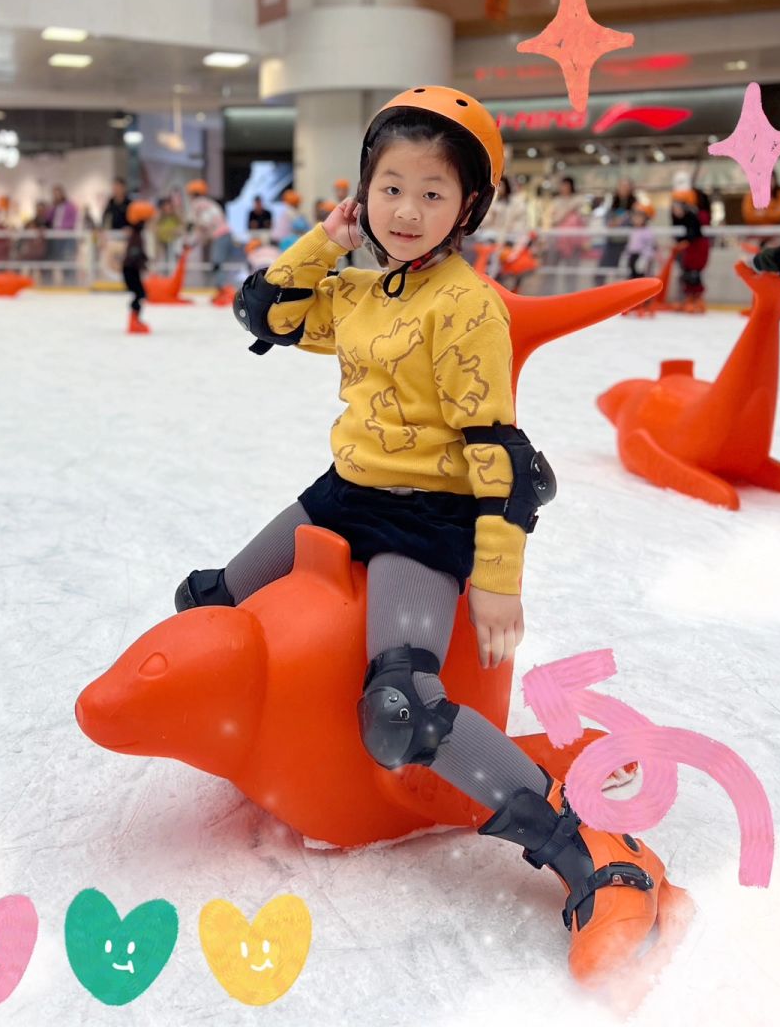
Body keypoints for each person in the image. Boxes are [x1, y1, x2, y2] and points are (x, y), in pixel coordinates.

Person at [173, 86, 673, 984]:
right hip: (345, 495)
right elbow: (266, 311)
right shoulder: (363, 291)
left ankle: (594, 853)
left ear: (469, 208)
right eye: (389, 188)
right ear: (360, 192)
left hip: (427, 513)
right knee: (205, 602)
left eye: (432, 193)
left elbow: (497, 453)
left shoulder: (465, 308)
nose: (406, 211)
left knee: (402, 711)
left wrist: (495, 576)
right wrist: (326, 239)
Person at [186, 179, 235, 290]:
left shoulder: (197, 204)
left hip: (220, 236)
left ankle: (222, 290)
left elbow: (200, 225)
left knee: (217, 264)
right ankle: (221, 288)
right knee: (220, 264)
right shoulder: (210, 203)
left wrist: (190, 242)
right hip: (226, 234)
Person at [671, 185, 711, 312]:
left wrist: (686, 241)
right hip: (688, 252)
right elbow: (678, 234)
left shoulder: (693, 215)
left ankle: (697, 299)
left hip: (697, 250)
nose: (675, 209)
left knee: (694, 274)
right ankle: (689, 299)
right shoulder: (679, 218)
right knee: (686, 274)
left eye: (678, 205)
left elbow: (694, 232)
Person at [596, 179, 637, 286]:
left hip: (629, 242)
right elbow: (608, 222)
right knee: (603, 269)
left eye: (626, 187)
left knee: (628, 269)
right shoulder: (611, 203)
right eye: (621, 186)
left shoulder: (635, 204)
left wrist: (620, 221)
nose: (623, 189)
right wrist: (617, 222)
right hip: (612, 241)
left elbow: (636, 222)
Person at [123, 201, 155, 334]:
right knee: (140, 294)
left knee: (139, 294)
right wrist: (143, 264)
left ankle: (134, 319)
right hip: (131, 270)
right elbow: (135, 255)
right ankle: (133, 320)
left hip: (130, 269)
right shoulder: (137, 236)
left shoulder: (136, 235)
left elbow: (137, 253)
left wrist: (144, 260)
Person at [50, 184, 79, 285]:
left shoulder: (70, 206)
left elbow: (73, 221)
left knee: (68, 259)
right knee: (60, 260)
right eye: (54, 194)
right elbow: (48, 218)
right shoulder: (54, 207)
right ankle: (64, 280)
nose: (56, 196)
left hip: (67, 237)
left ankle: (71, 281)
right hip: (56, 237)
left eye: (58, 193)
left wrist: (62, 229)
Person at [621, 206, 658, 279]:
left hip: (641, 257)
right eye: (635, 217)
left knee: (641, 277)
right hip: (632, 256)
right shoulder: (633, 230)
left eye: (639, 217)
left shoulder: (647, 231)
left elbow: (650, 246)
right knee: (632, 277)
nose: (636, 219)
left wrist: (644, 258)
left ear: (645, 218)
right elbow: (630, 245)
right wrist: (625, 256)